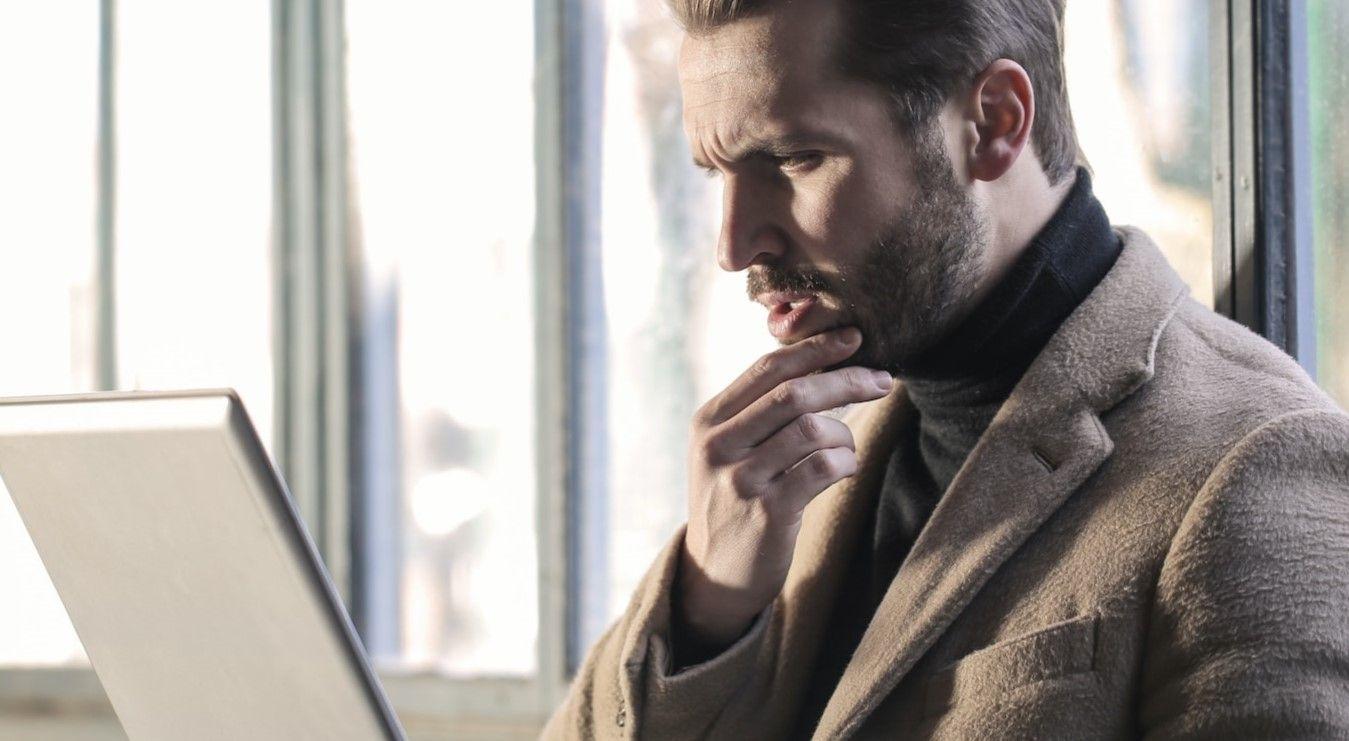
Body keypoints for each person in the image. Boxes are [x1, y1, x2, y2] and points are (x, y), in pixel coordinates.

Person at [542, 0, 1349, 737]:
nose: (734, 243)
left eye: (792, 158)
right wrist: (707, 606)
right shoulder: (796, 456)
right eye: (717, 172)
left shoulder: (1259, 467)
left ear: (993, 123)